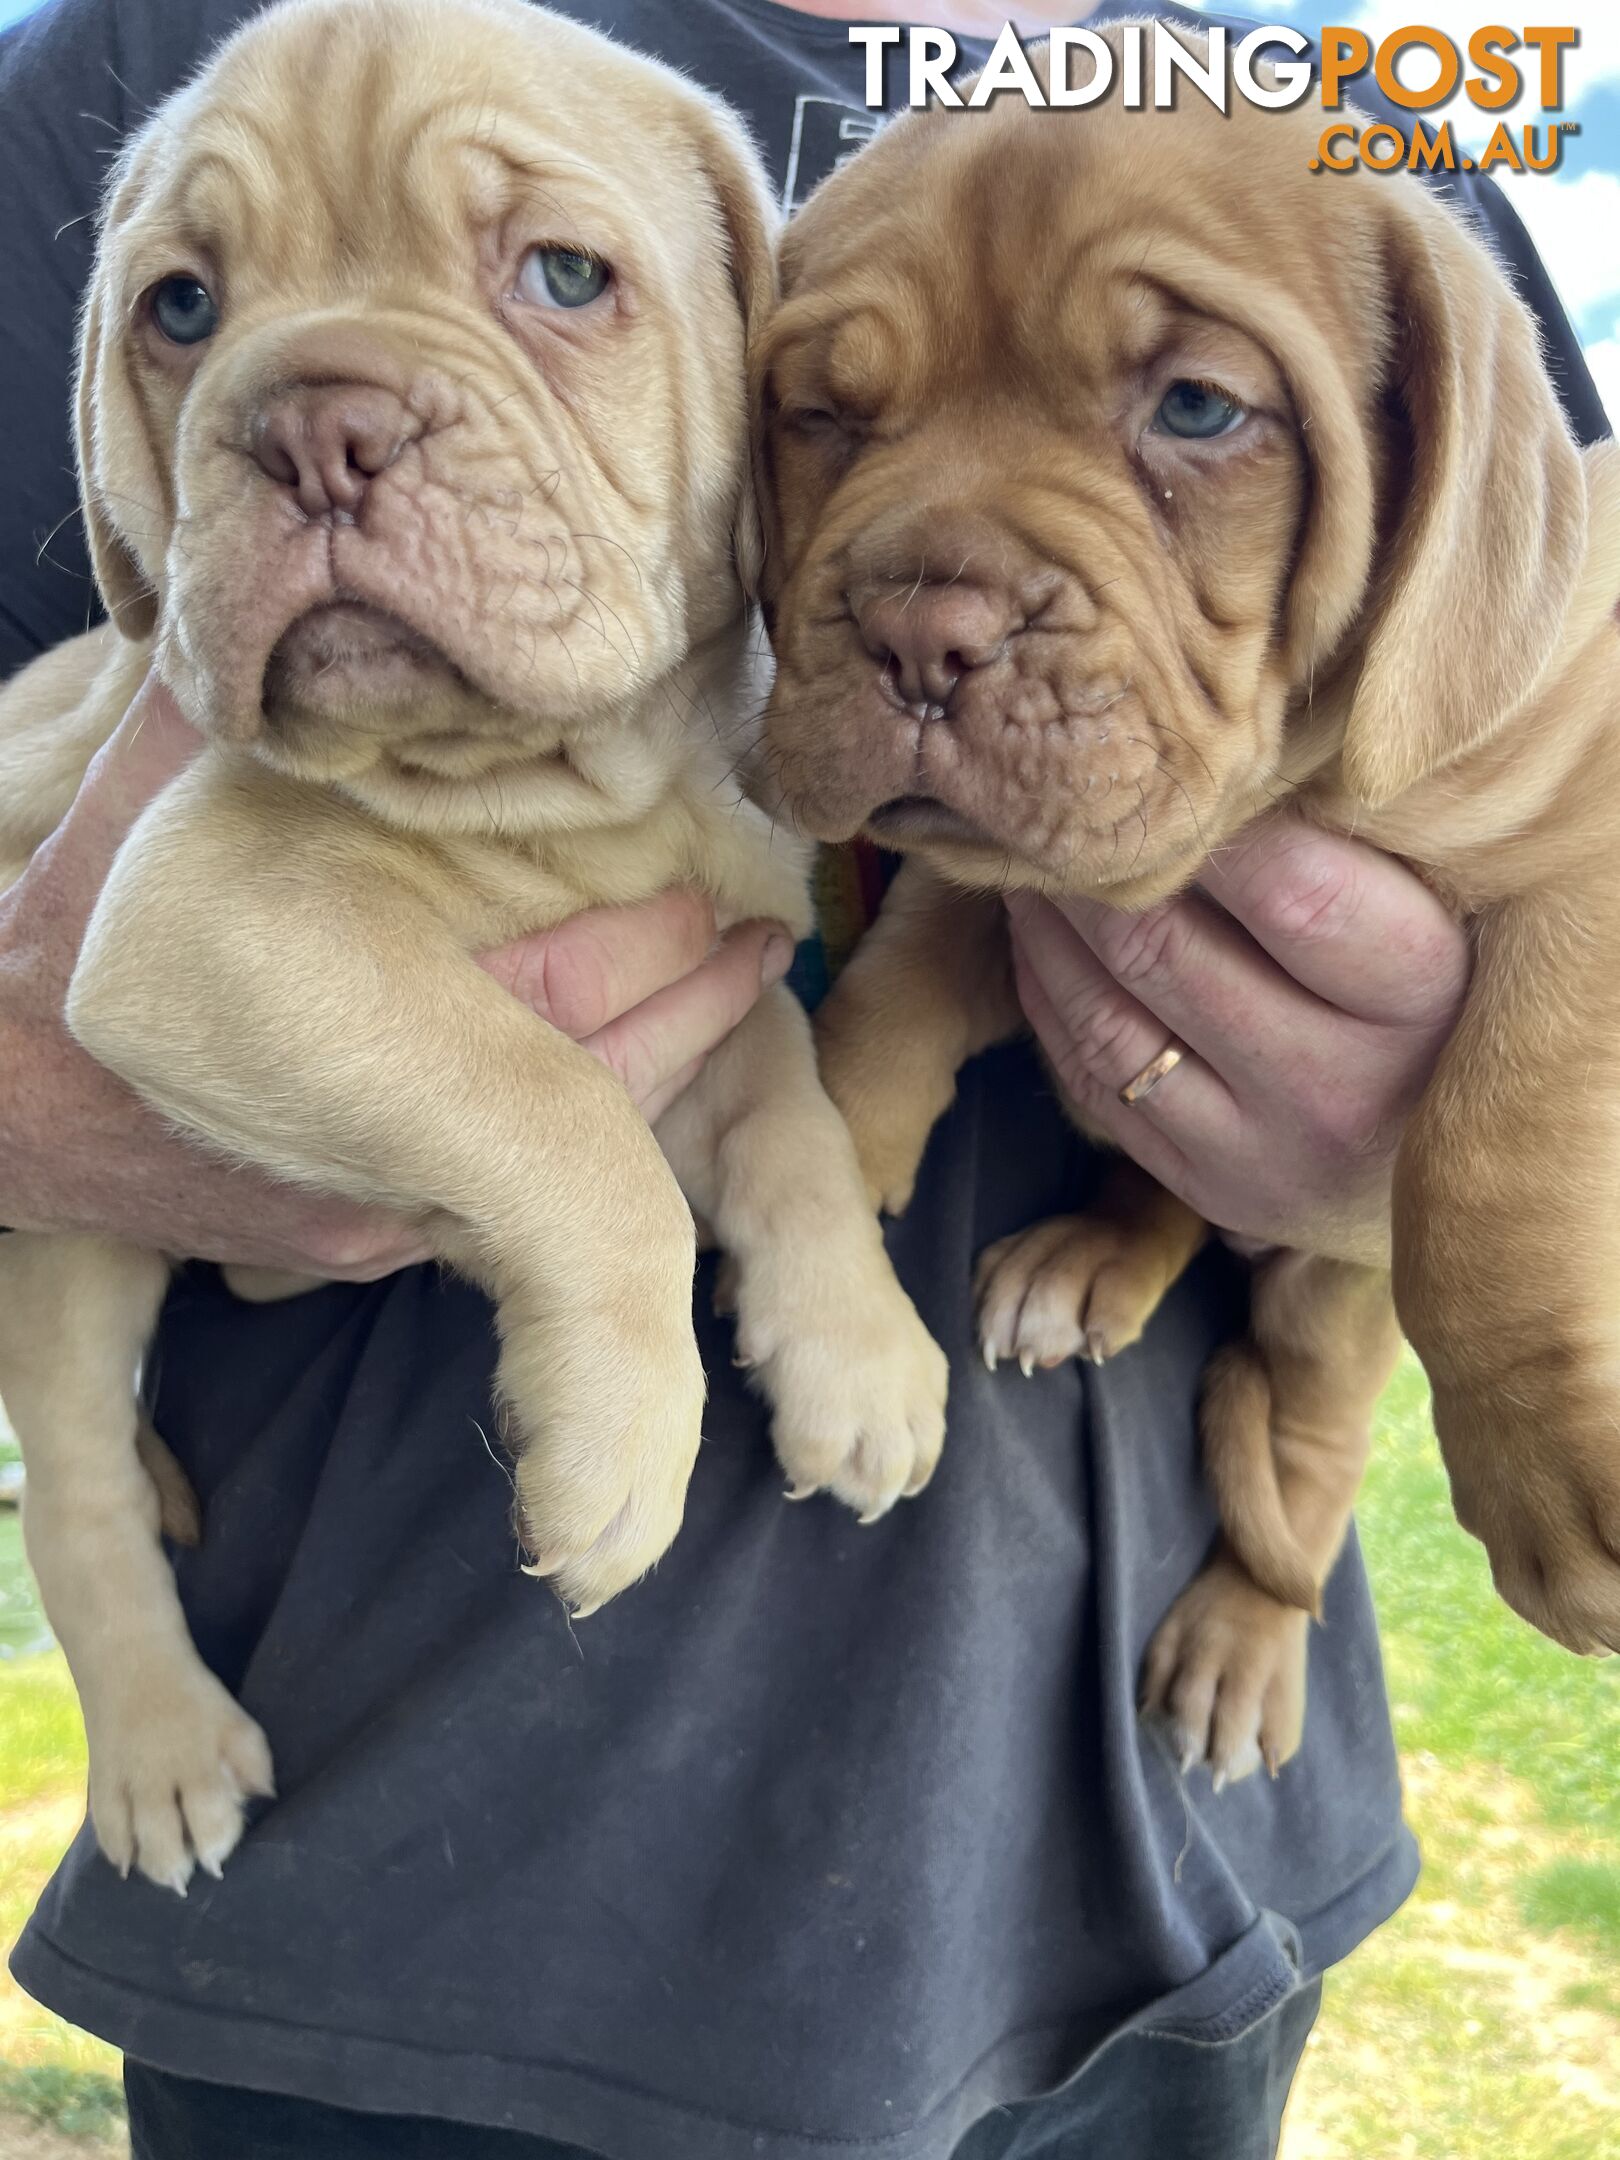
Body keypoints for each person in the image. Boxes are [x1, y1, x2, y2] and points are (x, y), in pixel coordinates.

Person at [0, 1, 1607, 2155]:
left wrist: (1453, 1189)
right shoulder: (174, 71)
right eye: (824, 423)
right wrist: (44, 1087)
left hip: (1166, 1851)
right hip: (382, 1889)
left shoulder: (1333, 134)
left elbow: (1558, 750)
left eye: (562, 276)